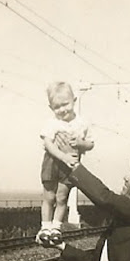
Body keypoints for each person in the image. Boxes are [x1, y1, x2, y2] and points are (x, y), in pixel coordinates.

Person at [37, 81, 94, 246]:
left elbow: (90, 144)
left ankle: (56, 228)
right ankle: (45, 227)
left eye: (65, 104)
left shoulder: (82, 123)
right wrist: (63, 156)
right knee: (49, 196)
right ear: (51, 108)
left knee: (62, 197)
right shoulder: (51, 123)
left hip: (70, 164)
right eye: (57, 107)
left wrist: (81, 144)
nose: (62, 110)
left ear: (74, 101)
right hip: (53, 161)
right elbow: (48, 144)